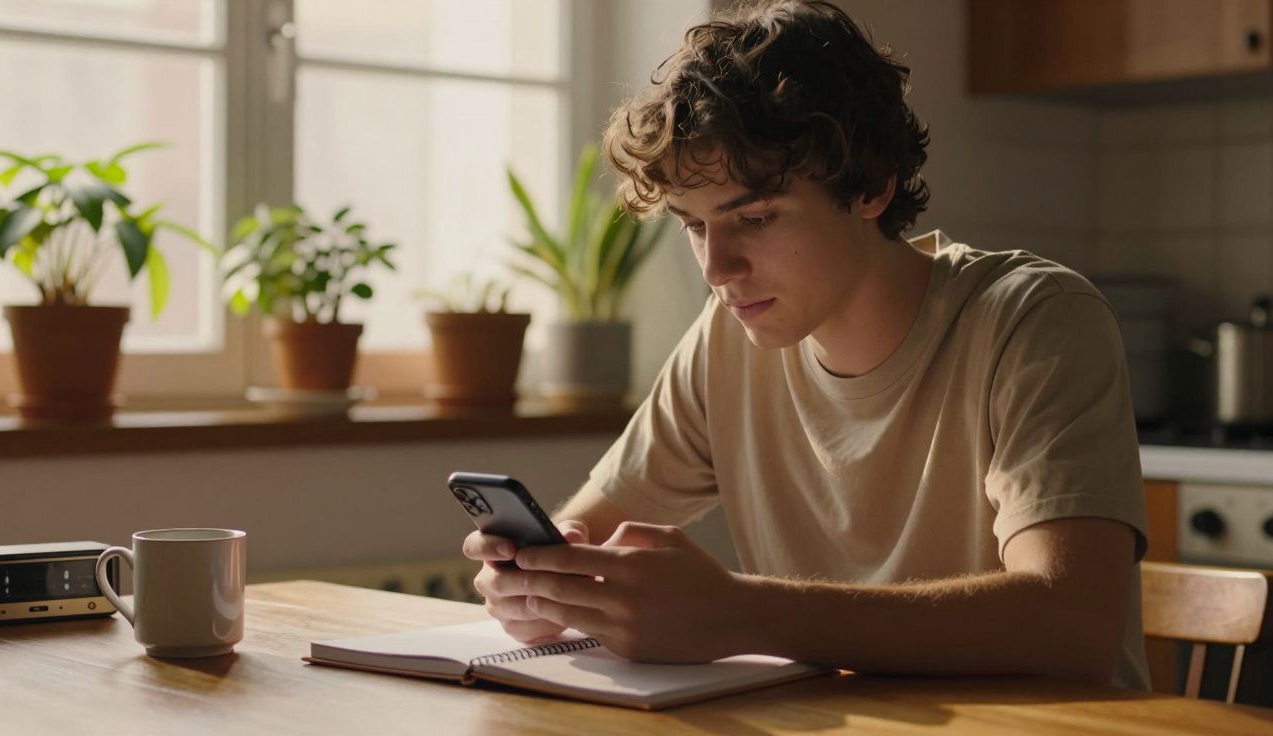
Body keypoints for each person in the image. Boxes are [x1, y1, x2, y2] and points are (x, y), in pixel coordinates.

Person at [463, 0, 1148, 690]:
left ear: (872, 186)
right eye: (694, 227)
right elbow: (584, 529)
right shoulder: (728, 340)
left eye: (754, 218)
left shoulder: (1034, 321)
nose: (716, 270)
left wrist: (740, 613)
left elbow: (1072, 622)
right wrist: (535, 582)